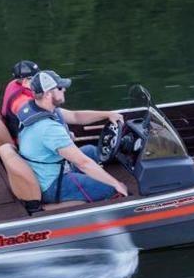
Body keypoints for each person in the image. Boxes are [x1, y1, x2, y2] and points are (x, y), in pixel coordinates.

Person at [17, 70, 129, 203]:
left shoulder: (38, 107)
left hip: (48, 170)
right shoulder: (48, 128)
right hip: (53, 184)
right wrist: (116, 183)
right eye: (59, 88)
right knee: (110, 188)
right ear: (47, 94)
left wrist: (107, 114)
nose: (64, 89)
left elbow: (76, 116)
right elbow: (83, 163)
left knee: (91, 151)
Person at [0, 60, 40, 138]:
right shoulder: (22, 101)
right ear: (27, 80)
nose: (39, 80)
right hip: (24, 139)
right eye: (36, 77)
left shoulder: (13, 84)